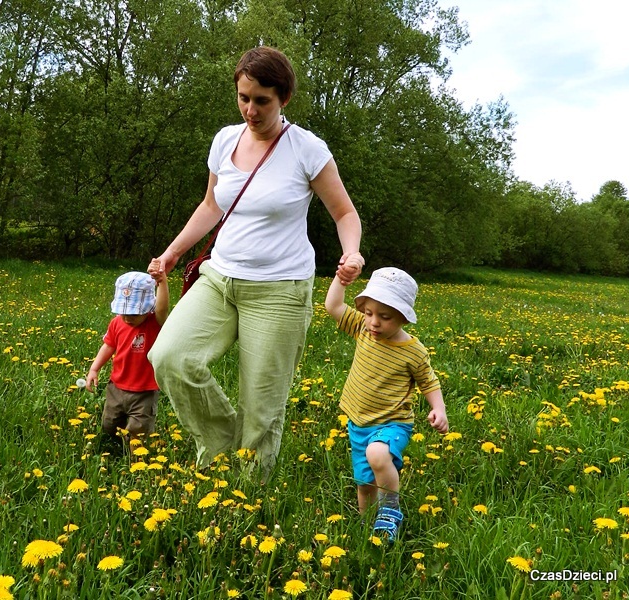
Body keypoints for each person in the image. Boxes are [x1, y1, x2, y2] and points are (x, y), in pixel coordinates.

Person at [148, 46, 364, 477]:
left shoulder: (307, 149)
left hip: (280, 290)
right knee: (169, 357)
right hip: (218, 278)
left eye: (261, 100)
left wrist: (352, 251)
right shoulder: (225, 140)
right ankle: (222, 443)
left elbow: (345, 213)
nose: (250, 109)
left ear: (283, 97)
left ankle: (248, 497)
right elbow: (211, 205)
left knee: (261, 406)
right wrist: (173, 251)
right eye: (243, 97)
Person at [325, 266, 448, 540]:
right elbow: (333, 305)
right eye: (368, 313)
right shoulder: (362, 329)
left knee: (378, 455)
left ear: (404, 317)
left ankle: (390, 509)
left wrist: (438, 408)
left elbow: (429, 382)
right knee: (364, 483)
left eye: (385, 316)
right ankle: (370, 532)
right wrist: (341, 279)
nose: (374, 322)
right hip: (358, 423)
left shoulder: (413, 351)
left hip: (393, 422)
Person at [86, 265, 169, 452]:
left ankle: (135, 461)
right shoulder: (117, 322)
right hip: (116, 387)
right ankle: (111, 450)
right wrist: (94, 368)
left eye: (134, 313)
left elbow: (163, 307)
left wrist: (162, 281)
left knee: (138, 431)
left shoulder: (154, 322)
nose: (128, 318)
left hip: (144, 391)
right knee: (109, 424)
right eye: (124, 312)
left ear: (148, 308)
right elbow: (108, 345)